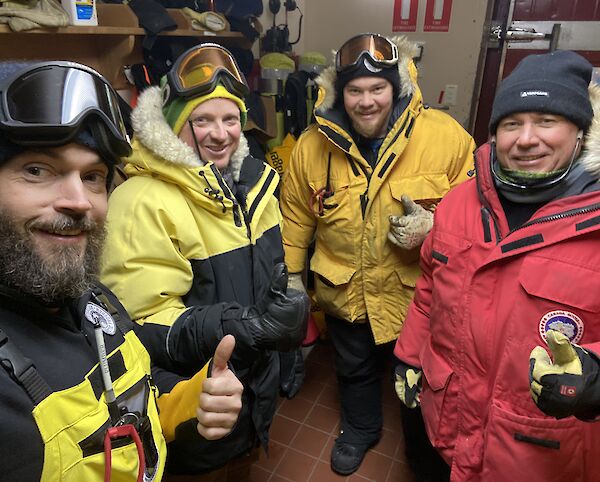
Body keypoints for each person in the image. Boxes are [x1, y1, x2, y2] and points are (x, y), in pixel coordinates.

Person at [0, 60, 244, 481]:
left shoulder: (93, 300)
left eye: (93, 176)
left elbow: (135, 394)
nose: (79, 200)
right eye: (37, 170)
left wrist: (191, 399)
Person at [100, 43, 309, 480]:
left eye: (230, 118)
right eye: (202, 120)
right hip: (194, 400)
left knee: (241, 465)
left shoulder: (254, 183)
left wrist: (287, 309)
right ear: (173, 126)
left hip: (251, 395)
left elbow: (274, 273)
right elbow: (138, 324)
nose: (221, 134)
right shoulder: (142, 201)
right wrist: (244, 327)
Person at [394, 49, 600, 481]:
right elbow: (429, 290)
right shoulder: (457, 204)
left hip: (537, 456)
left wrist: (596, 379)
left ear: (580, 131)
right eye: (511, 124)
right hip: (447, 428)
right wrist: (409, 357)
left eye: (547, 121)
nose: (526, 138)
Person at [279, 32, 475, 476]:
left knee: (421, 379)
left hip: (416, 296)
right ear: (338, 92)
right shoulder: (312, 146)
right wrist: (292, 280)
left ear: (397, 86)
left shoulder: (445, 137)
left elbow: (476, 210)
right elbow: (294, 219)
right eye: (354, 90)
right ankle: (361, 428)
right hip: (345, 289)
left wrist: (435, 227)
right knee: (355, 370)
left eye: (377, 88)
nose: (366, 101)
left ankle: (422, 446)